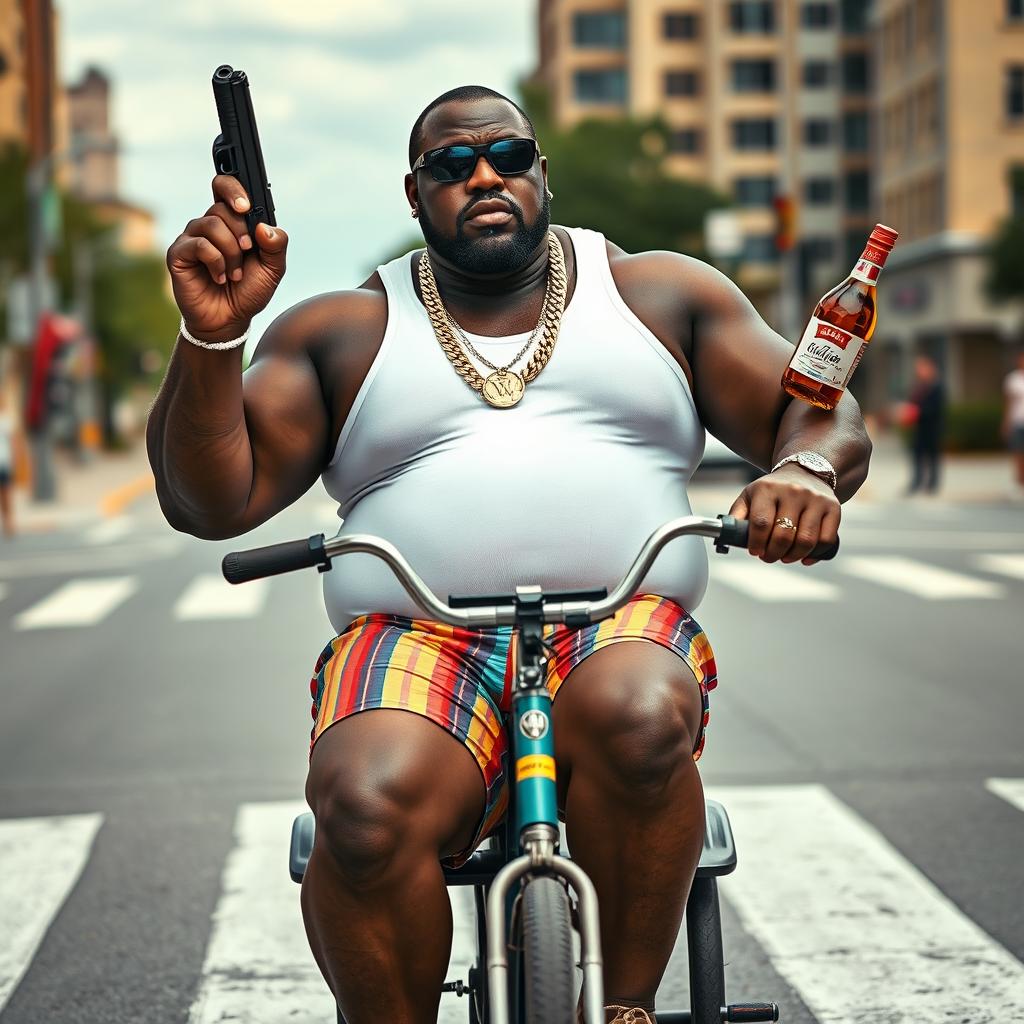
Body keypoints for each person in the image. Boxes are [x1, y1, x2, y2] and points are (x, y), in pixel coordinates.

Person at [147, 85, 871, 1024]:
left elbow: (814, 404)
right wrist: (214, 332)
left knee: (642, 716)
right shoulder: (345, 330)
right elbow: (207, 501)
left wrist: (808, 471)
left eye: (508, 157)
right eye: (451, 166)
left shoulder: (659, 293)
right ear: (415, 195)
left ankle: (626, 1008)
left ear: (542, 174)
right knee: (363, 804)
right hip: (418, 634)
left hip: (618, 623)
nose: (483, 176)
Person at [904, 353, 945, 495]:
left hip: (932, 427)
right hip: (919, 428)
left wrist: (917, 412)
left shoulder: (936, 386)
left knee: (933, 456)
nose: (919, 371)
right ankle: (917, 482)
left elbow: (935, 408)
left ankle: (932, 484)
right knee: (917, 455)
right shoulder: (919, 386)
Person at [1002, 349, 1024, 499]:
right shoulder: (1013, 379)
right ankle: (1019, 483)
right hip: (1018, 421)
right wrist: (1006, 423)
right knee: (1018, 453)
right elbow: (1008, 404)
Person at [0, 385, 18, 539]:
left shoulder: (5, 419)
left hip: (4, 461)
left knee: (6, 495)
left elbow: (13, 442)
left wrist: (15, 461)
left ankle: (9, 522)